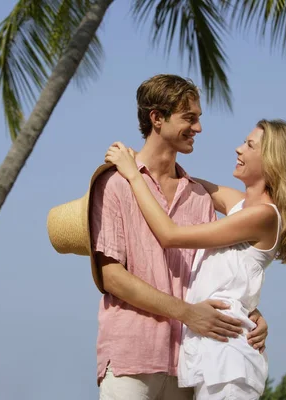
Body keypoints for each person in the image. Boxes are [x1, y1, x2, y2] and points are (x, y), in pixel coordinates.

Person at [104, 119, 286, 399]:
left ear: (272, 161)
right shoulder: (240, 205)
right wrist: (142, 162)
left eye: (250, 145)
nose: (238, 149)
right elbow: (182, 183)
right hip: (210, 352)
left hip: (227, 359)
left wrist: (133, 175)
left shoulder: (263, 216)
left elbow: (170, 235)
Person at [90, 74, 269, 400]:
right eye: (190, 117)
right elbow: (112, 277)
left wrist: (248, 312)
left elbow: (210, 276)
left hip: (190, 362)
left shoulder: (200, 196)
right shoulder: (114, 184)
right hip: (133, 355)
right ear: (157, 118)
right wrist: (187, 313)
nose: (199, 128)